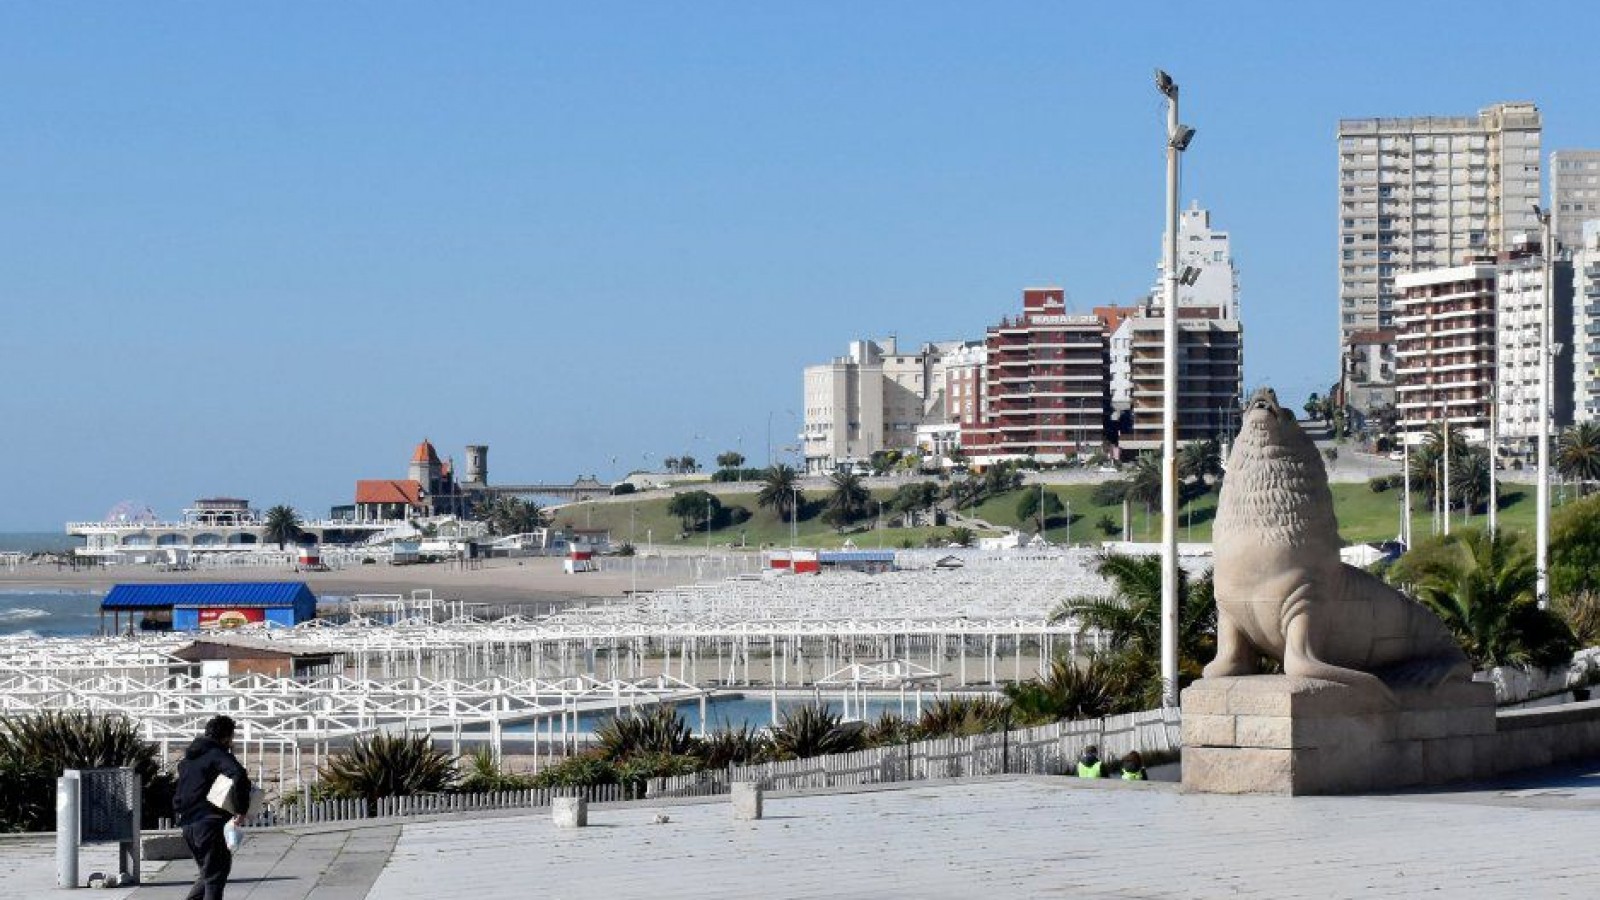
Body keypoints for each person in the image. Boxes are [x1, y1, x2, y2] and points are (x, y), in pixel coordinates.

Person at [173, 715, 251, 900]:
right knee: (215, 876)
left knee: (209, 874)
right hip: (208, 822)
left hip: (188, 824)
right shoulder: (216, 754)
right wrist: (241, 810)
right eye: (232, 738)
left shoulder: (189, 759)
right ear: (226, 737)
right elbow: (239, 774)